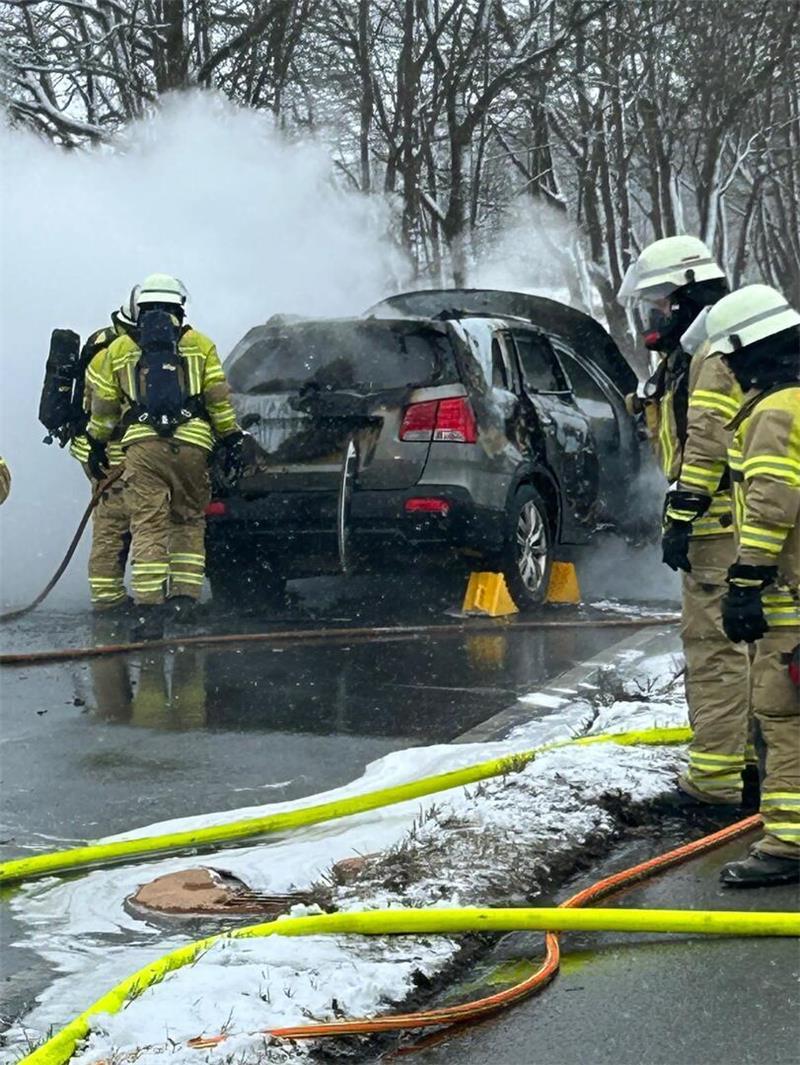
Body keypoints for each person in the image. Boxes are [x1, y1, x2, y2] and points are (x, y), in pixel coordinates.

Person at [618, 236, 753, 807]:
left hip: (719, 531)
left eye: (660, 301)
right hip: (731, 529)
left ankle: (716, 784)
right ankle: (748, 763)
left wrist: (684, 514)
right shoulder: (703, 352)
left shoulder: (710, 356)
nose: (653, 315)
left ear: (687, 295)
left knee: (715, 651)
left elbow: (705, 444)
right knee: (747, 650)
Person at [698, 284, 800, 887]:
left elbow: (771, 505)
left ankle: (789, 844)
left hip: (791, 595)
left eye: (731, 360)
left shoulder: (775, 411)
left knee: (785, 715)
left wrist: (746, 581)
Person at [87, 274, 243, 639]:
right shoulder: (201, 344)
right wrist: (230, 437)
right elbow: (218, 398)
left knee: (148, 523)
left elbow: (105, 405)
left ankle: (149, 610)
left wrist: (96, 441)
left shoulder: (119, 349)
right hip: (193, 445)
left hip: (142, 448)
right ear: (179, 306)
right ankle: (184, 601)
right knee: (188, 519)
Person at [69, 295, 138, 611]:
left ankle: (108, 595)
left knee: (112, 524)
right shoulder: (115, 354)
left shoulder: (103, 343)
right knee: (125, 522)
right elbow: (106, 409)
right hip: (111, 449)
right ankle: (113, 598)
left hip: (98, 447)